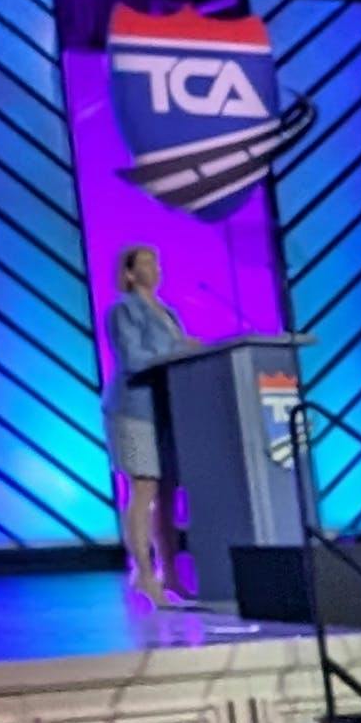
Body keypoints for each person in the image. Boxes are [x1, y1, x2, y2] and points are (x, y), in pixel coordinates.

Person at [105, 243, 198, 603]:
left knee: (166, 491)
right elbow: (133, 358)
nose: (154, 267)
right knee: (143, 488)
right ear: (129, 273)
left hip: (166, 410)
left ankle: (170, 574)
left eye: (156, 261)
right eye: (145, 262)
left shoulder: (169, 313)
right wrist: (179, 350)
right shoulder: (123, 310)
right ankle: (143, 573)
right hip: (133, 409)